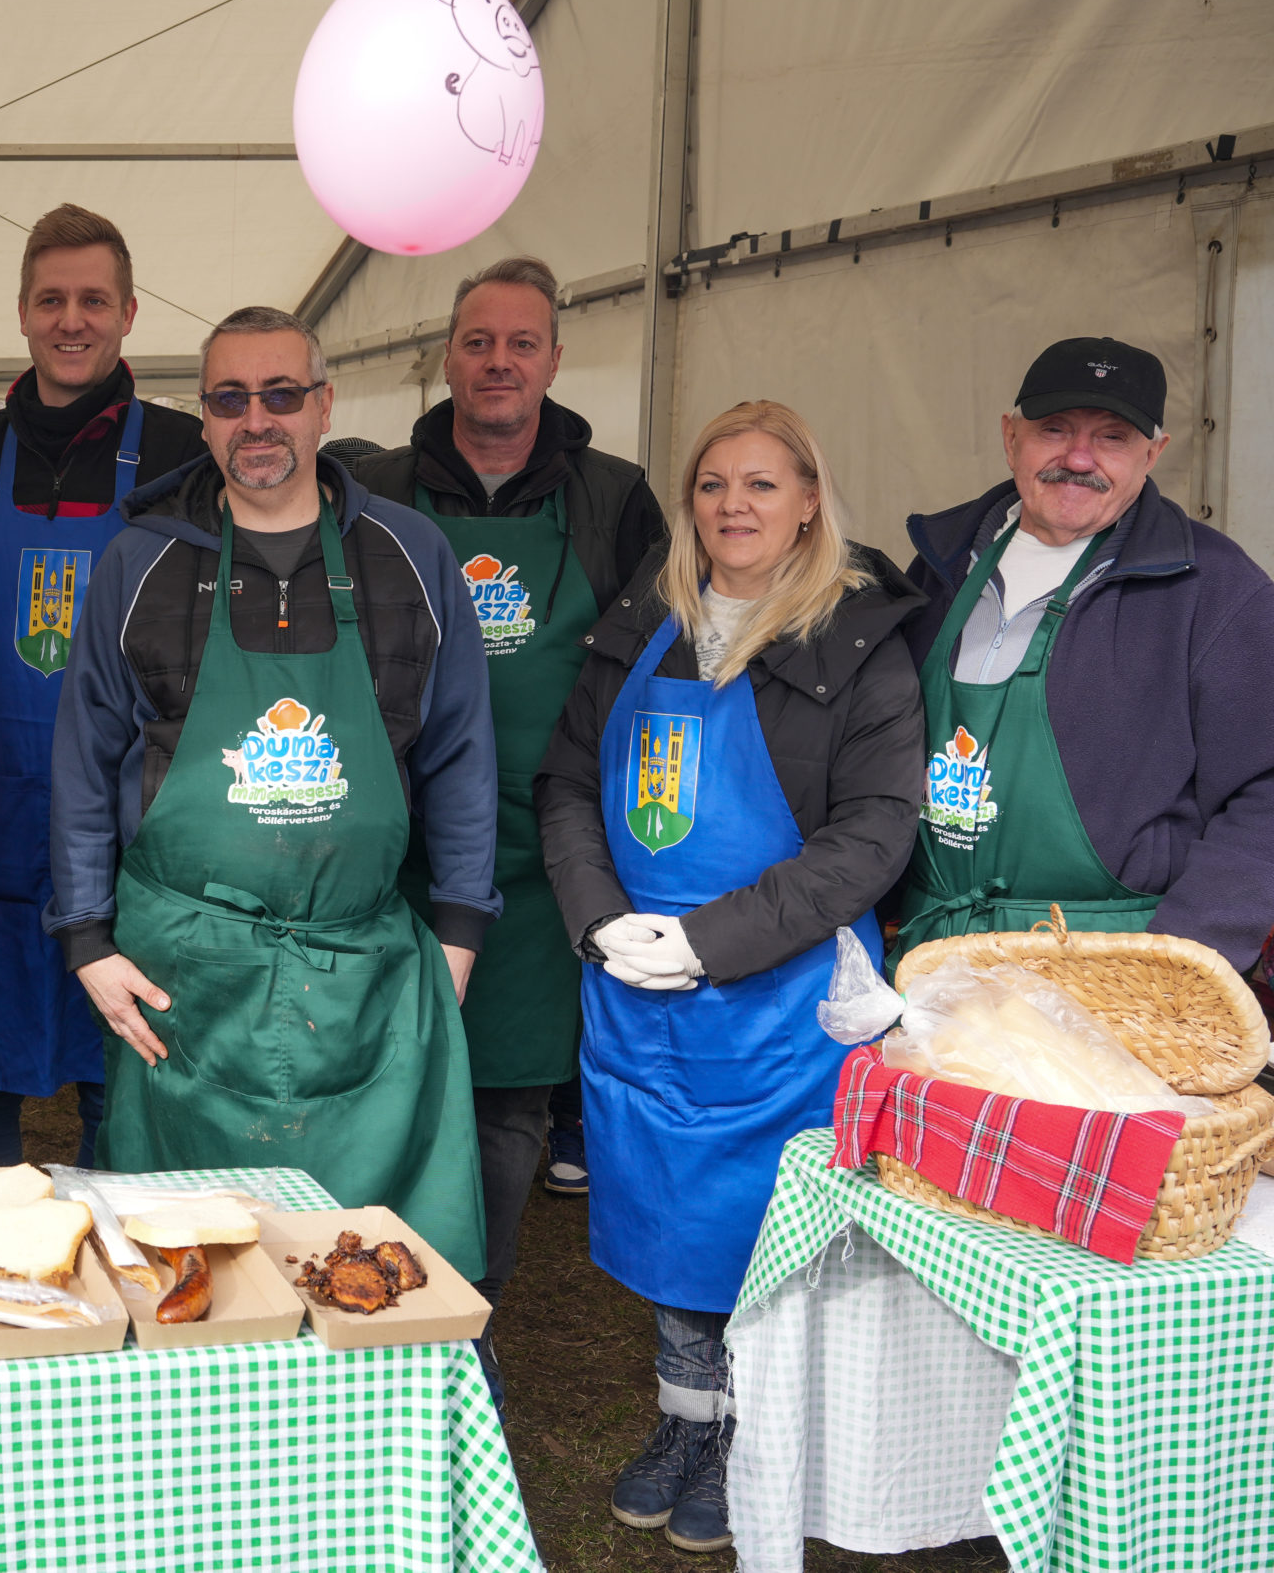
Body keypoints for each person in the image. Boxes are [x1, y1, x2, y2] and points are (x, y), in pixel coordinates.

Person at [535, 400, 923, 1554]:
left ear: (808, 501)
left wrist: (709, 941)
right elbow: (565, 784)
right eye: (712, 484)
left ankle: (754, 1434)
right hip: (636, 996)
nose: (733, 506)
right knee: (668, 1224)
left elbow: (871, 835)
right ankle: (684, 1420)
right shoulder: (641, 626)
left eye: (761, 484)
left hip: (778, 1001)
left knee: (761, 1232)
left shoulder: (856, 643)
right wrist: (599, 921)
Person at [48, 305, 497, 1274]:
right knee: (187, 1261)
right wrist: (86, 939)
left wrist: (460, 931)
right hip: (181, 972)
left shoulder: (412, 554)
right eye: (230, 399)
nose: (257, 420)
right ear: (203, 417)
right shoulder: (139, 560)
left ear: (324, 405)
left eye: (281, 395)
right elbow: (84, 760)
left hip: (363, 967)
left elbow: (461, 752)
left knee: (373, 1257)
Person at [353, 256, 666, 1327]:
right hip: (389, 851)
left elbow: (652, 666)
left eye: (521, 343)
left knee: (505, 1103)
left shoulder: (614, 496)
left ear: (554, 360)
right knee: (377, 1081)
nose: (499, 362)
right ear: (446, 357)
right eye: (478, 341)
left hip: (539, 860)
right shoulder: (376, 490)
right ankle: (361, 1296)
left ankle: (468, 1313)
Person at [0, 204, 208, 1168]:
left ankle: (114, 1242)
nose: (71, 320)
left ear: (129, 312)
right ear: (21, 311)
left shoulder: (187, 454)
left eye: (94, 299)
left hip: (129, 811)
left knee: (123, 1060)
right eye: (51, 299)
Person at [899, 338, 1274, 966]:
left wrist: (1183, 959)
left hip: (1112, 966)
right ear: (1010, 436)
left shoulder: (1214, 589)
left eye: (1112, 438)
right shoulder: (939, 566)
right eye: (1054, 429)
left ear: (1153, 454)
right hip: (931, 951)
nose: (1078, 458)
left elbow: (1265, 790)